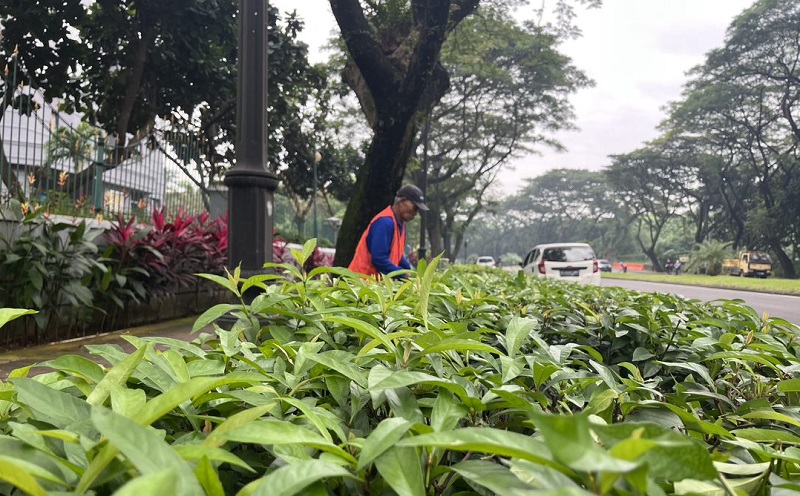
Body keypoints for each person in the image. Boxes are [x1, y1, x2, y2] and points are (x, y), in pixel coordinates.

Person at [348, 184, 429, 278]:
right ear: (402, 201)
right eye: (415, 207)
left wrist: (409, 269)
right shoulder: (385, 222)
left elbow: (397, 254)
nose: (415, 213)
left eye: (418, 210)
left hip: (375, 286)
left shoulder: (400, 225)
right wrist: (402, 274)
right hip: (360, 283)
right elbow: (379, 259)